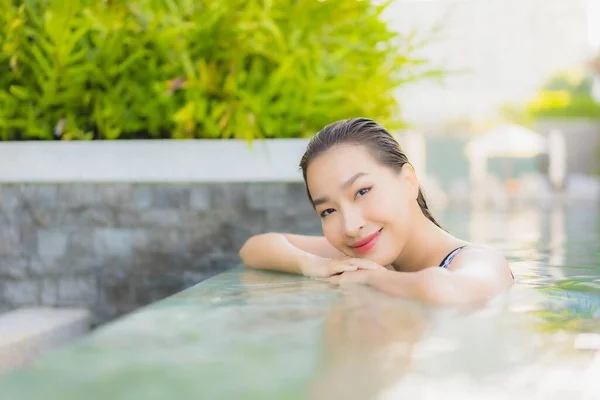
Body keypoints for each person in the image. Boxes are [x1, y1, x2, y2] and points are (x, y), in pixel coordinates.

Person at [239, 118, 514, 305]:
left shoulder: (480, 260)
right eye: (328, 210)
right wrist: (313, 265)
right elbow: (255, 248)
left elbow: (447, 291)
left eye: (362, 191)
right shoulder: (362, 253)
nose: (350, 226)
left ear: (408, 182)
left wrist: (373, 278)